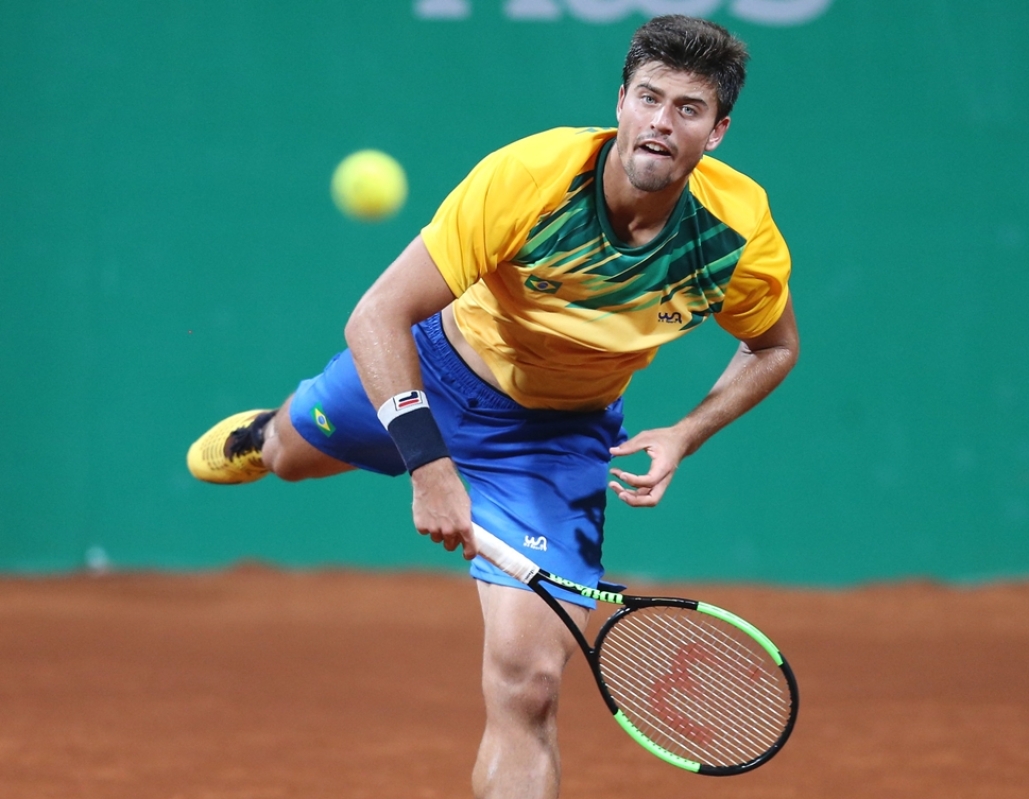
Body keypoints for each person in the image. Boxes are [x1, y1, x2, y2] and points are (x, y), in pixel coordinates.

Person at [186, 14, 798, 799]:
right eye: (649, 97)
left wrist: (688, 429)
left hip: (553, 441)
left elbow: (774, 345)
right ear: (620, 101)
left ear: (717, 131)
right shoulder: (532, 179)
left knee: (530, 685)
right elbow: (376, 315)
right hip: (433, 371)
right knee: (287, 458)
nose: (661, 121)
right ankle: (268, 431)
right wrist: (431, 466)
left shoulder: (736, 234)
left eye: (687, 108)